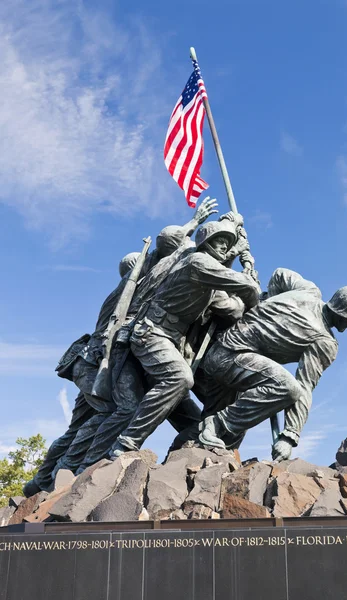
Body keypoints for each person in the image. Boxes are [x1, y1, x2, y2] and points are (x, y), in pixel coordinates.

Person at [23, 198, 218, 495]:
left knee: (87, 422)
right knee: (119, 410)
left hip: (101, 360)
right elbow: (164, 253)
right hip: (95, 361)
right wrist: (193, 224)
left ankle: (45, 479)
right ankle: (74, 472)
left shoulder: (137, 290)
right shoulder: (126, 292)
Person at [109, 219, 261, 457]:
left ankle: (182, 456)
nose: (223, 247)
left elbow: (232, 309)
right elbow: (247, 289)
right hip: (152, 333)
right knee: (180, 378)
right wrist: (249, 276)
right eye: (218, 241)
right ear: (205, 243)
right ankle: (127, 443)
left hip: (173, 342)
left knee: (194, 420)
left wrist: (241, 263)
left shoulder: (209, 280)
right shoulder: (198, 262)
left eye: (226, 243)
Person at [198, 268, 347, 461]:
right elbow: (304, 386)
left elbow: (280, 274)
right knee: (287, 388)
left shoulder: (308, 290)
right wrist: (290, 436)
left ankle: (191, 451)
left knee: (220, 437)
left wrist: (267, 302)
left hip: (218, 354)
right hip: (232, 360)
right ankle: (217, 423)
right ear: (342, 312)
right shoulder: (324, 342)